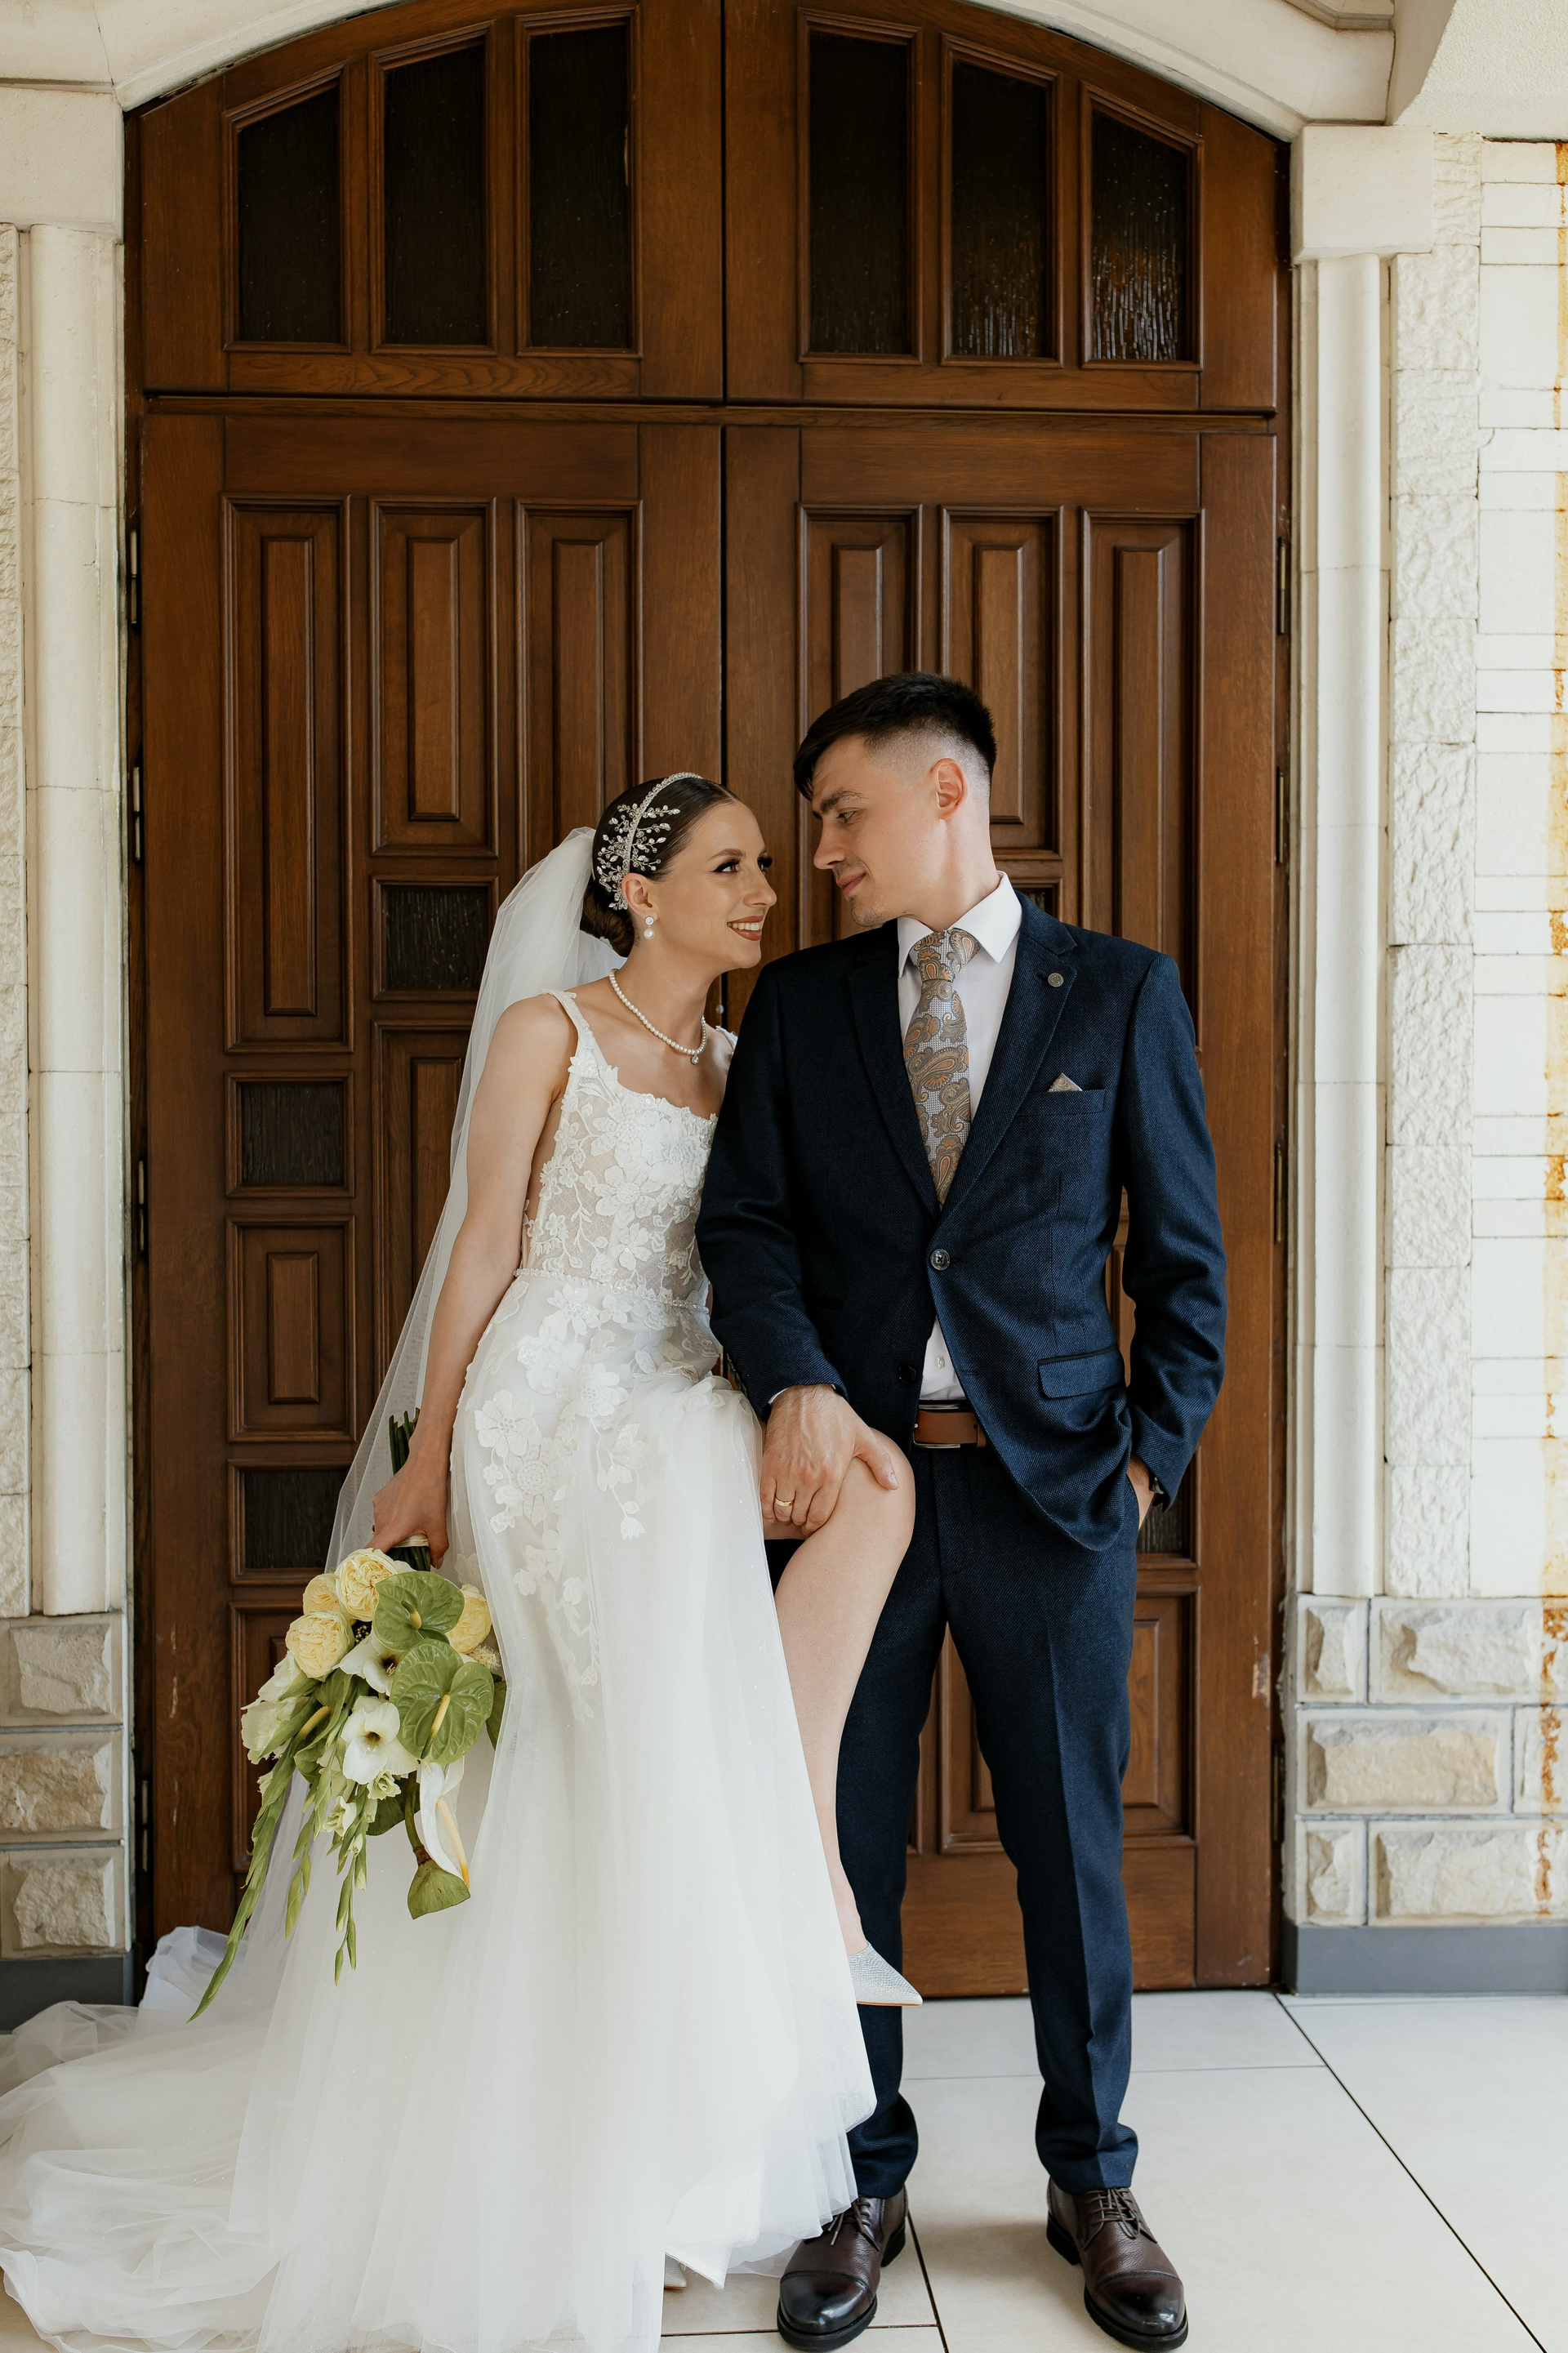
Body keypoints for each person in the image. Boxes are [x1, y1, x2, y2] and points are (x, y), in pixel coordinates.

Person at [0, 777, 914, 2353]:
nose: (765, 889)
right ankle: (551, 2150)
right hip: (549, 1403)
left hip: (683, 1388)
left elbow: (758, 1254)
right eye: (730, 865)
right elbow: (484, 1243)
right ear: (640, 891)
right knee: (578, 1749)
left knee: (846, 1504)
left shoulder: (742, 1061)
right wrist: (424, 1456)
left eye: (769, 862)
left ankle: (763, 1924)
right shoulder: (550, 1033)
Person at [697, 675, 1227, 2353]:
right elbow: (745, 1229)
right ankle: (857, 2178)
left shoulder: (1119, 993)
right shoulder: (802, 1009)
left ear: (946, 793)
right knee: (838, 1842)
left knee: (1070, 1850)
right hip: (847, 1496)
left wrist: (1143, 1463)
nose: (820, 853)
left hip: (1051, 1493)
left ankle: (1094, 2178)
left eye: (841, 815)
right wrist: (794, 1379)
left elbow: (1188, 1265)